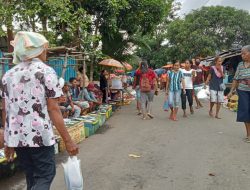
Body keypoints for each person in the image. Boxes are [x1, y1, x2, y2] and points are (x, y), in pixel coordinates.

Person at [1, 31, 78, 190]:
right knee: (45, 175)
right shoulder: (46, 71)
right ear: (37, 50)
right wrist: (68, 140)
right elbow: (53, 109)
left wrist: (9, 141)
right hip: (39, 136)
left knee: (32, 177)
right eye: (44, 49)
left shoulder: (8, 75)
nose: (46, 52)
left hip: (19, 139)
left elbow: (6, 110)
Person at [228, 45, 250, 142]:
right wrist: (231, 90)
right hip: (243, 92)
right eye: (241, 53)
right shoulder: (240, 65)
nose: (242, 55)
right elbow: (236, 79)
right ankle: (249, 134)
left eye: (244, 53)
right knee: (245, 112)